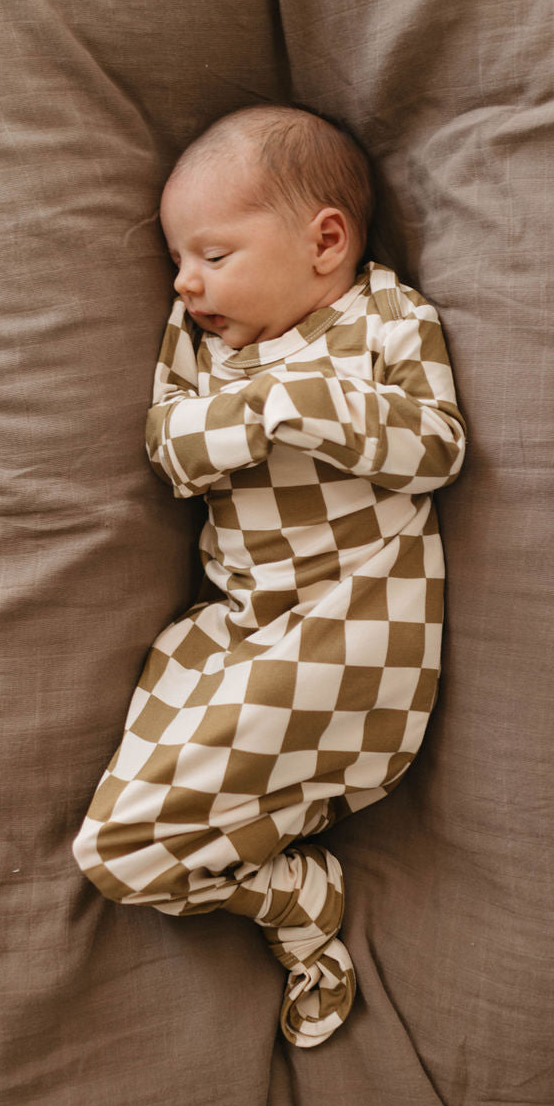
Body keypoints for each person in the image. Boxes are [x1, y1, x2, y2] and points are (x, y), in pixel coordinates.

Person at [73, 104, 466, 1047]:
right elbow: (169, 449)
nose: (183, 279)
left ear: (325, 240)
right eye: (178, 257)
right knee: (126, 798)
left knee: (115, 851)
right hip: (242, 620)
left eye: (210, 253)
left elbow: (437, 449)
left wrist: (296, 403)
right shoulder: (200, 341)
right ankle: (288, 880)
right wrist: (251, 410)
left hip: (356, 632)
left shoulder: (386, 318)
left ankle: (297, 898)